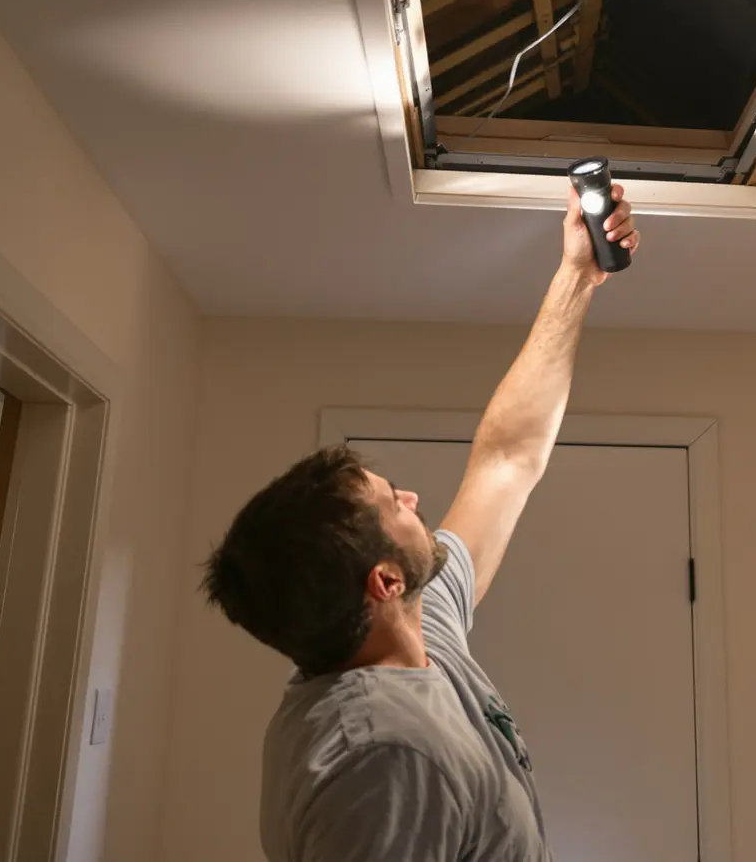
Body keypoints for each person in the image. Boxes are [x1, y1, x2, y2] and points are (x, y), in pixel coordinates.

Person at [201, 183, 641, 861]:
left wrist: (577, 276)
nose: (410, 496)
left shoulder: (416, 626)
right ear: (383, 581)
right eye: (390, 503)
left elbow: (507, 457)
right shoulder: (382, 758)